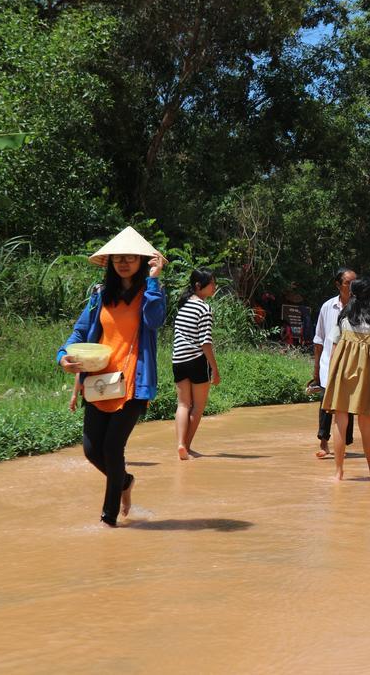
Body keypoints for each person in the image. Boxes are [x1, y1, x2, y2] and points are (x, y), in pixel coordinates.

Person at [57, 226, 167, 527]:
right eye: (119, 257)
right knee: (92, 450)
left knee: (112, 448)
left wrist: (155, 281)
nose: (124, 262)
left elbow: (155, 320)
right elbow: (79, 333)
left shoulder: (150, 293)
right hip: (98, 383)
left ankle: (108, 519)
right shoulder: (100, 296)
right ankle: (125, 481)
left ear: (143, 261)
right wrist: (63, 356)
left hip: (132, 383)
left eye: (132, 257)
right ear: (111, 261)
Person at [321, 278, 370, 481]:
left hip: (341, 372)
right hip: (364, 375)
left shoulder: (343, 318)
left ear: (352, 294)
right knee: (365, 424)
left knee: (340, 421)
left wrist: (331, 378)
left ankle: (338, 472)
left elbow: (334, 348)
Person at [171, 268, 219, 460]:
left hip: (178, 360)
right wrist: (215, 368)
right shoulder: (204, 308)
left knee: (183, 404)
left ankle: (180, 445)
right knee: (197, 406)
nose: (214, 287)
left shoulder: (183, 305)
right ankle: (187, 447)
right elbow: (205, 342)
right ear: (199, 286)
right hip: (197, 360)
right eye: (212, 284)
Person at [311, 267, 356, 458]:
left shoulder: (360, 309)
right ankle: (324, 442)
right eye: (348, 283)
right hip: (327, 364)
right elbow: (319, 338)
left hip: (351, 365)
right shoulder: (327, 307)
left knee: (347, 405)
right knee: (325, 403)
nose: (352, 286)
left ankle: (343, 444)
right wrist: (315, 370)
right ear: (338, 285)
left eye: (355, 282)